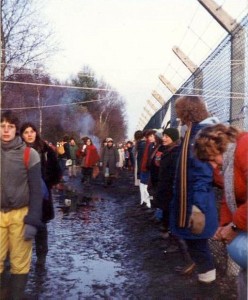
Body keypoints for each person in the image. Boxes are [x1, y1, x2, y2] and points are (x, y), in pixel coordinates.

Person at [169, 95, 220, 284]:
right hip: (191, 198)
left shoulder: (199, 135)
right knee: (195, 242)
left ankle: (208, 283)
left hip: (196, 201)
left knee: (197, 243)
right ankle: (206, 278)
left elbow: (202, 173)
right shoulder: (193, 132)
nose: (177, 114)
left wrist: (197, 208)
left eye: (179, 110)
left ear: (187, 111)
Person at [194, 123, 247, 299]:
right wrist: (224, 224)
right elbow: (228, 195)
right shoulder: (229, 162)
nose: (213, 166)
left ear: (219, 145)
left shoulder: (244, 148)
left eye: (211, 158)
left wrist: (233, 226)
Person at [0, 111, 43, 299]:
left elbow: (36, 191)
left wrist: (33, 221)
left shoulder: (29, 154)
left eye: (10, 126)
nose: (6, 130)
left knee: (19, 262)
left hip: (21, 215)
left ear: (16, 129)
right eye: (2, 126)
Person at [20, 122, 62, 268]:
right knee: (20, 225)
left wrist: (46, 183)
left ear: (36, 133)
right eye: (26, 132)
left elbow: (57, 171)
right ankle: (19, 258)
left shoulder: (45, 150)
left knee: (41, 226)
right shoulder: (17, 150)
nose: (30, 134)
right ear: (22, 134)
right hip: (22, 193)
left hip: (41, 195)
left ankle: (41, 256)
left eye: (32, 131)